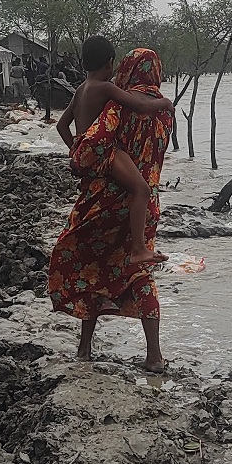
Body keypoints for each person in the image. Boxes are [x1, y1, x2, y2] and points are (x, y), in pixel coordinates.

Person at [48, 38, 175, 371]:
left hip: (101, 198)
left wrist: (78, 155)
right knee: (141, 275)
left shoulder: (110, 102)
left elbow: (82, 133)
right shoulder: (162, 113)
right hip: (140, 207)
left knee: (93, 268)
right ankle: (154, 356)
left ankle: (84, 348)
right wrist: (164, 102)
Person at [56, 39, 172, 268]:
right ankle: (138, 250)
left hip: (84, 150)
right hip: (103, 149)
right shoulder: (105, 88)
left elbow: (61, 125)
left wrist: (76, 152)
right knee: (142, 189)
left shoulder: (81, 89)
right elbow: (139, 105)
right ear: (110, 63)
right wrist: (164, 103)